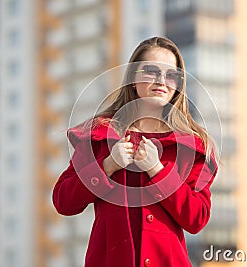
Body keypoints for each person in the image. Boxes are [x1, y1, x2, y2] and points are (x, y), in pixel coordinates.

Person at [52, 36, 218, 267]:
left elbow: (196, 218)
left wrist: (157, 170)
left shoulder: (192, 147)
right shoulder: (100, 136)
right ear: (133, 77)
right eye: (151, 71)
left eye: (171, 75)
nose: (162, 81)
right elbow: (63, 201)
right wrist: (108, 165)